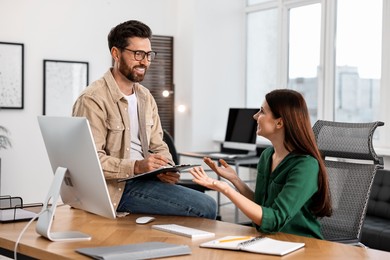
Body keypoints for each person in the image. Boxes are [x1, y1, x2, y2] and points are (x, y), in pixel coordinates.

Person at [72, 20, 216, 219]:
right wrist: (137, 166)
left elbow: (159, 145)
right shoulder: (92, 99)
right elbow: (89, 162)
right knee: (206, 206)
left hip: (146, 179)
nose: (145, 61)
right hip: (117, 187)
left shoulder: (145, 97)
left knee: (205, 203)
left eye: (148, 55)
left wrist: (166, 167)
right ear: (116, 53)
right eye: (138, 54)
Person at [189, 89, 332, 238]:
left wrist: (225, 189)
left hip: (301, 245)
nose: (255, 116)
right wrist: (235, 180)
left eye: (262, 111)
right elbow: (261, 206)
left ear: (280, 122)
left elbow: (275, 219)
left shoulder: (306, 166)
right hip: (268, 240)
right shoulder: (267, 156)